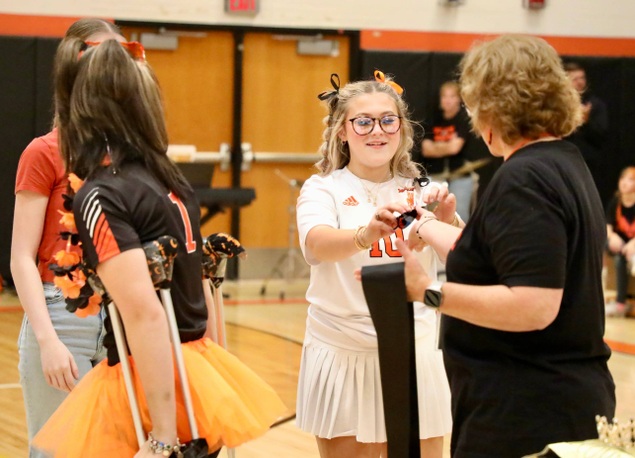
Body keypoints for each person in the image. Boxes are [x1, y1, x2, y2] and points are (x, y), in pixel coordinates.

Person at [32, 38, 286, 457]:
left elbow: (145, 314)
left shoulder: (102, 194)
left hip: (147, 385)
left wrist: (162, 437)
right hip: (196, 369)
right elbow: (201, 286)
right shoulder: (169, 180)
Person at [395, 35, 616, 457]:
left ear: (492, 107)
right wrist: (427, 226)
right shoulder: (562, 159)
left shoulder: (525, 178)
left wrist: (426, 290)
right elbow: (508, 266)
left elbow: (532, 305)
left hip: (525, 414)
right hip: (551, 402)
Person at [295, 71, 454, 458]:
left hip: (414, 348)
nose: (376, 131)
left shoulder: (420, 188)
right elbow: (315, 245)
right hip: (342, 348)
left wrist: (445, 220)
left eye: (387, 120)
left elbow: (467, 257)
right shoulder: (323, 187)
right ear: (342, 131)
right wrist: (365, 235)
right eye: (363, 121)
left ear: (402, 129)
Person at [10, 18, 123, 457]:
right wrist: (47, 341)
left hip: (120, 314)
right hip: (61, 316)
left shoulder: (130, 154)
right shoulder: (43, 151)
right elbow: (20, 257)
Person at [419, 81, 474, 221]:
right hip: (435, 174)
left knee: (460, 215)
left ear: (458, 100)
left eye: (452, 97)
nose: (448, 101)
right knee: (432, 215)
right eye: (444, 96)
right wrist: (448, 145)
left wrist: (436, 146)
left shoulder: (463, 120)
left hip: (459, 174)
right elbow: (426, 150)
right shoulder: (432, 118)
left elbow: (455, 148)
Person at [564, 61, 609, 194]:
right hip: (565, 161)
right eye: (575, 79)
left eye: (582, 78)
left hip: (589, 164)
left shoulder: (595, 105)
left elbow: (601, 136)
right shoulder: (560, 106)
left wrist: (586, 121)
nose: (580, 82)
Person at [605, 165, 635, 317]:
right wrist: (611, 236)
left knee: (621, 260)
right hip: (619, 247)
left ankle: (621, 303)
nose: (624, 182)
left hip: (632, 246)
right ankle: (619, 305)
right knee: (604, 243)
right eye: (622, 178)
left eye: (630, 179)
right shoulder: (616, 201)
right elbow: (608, 225)